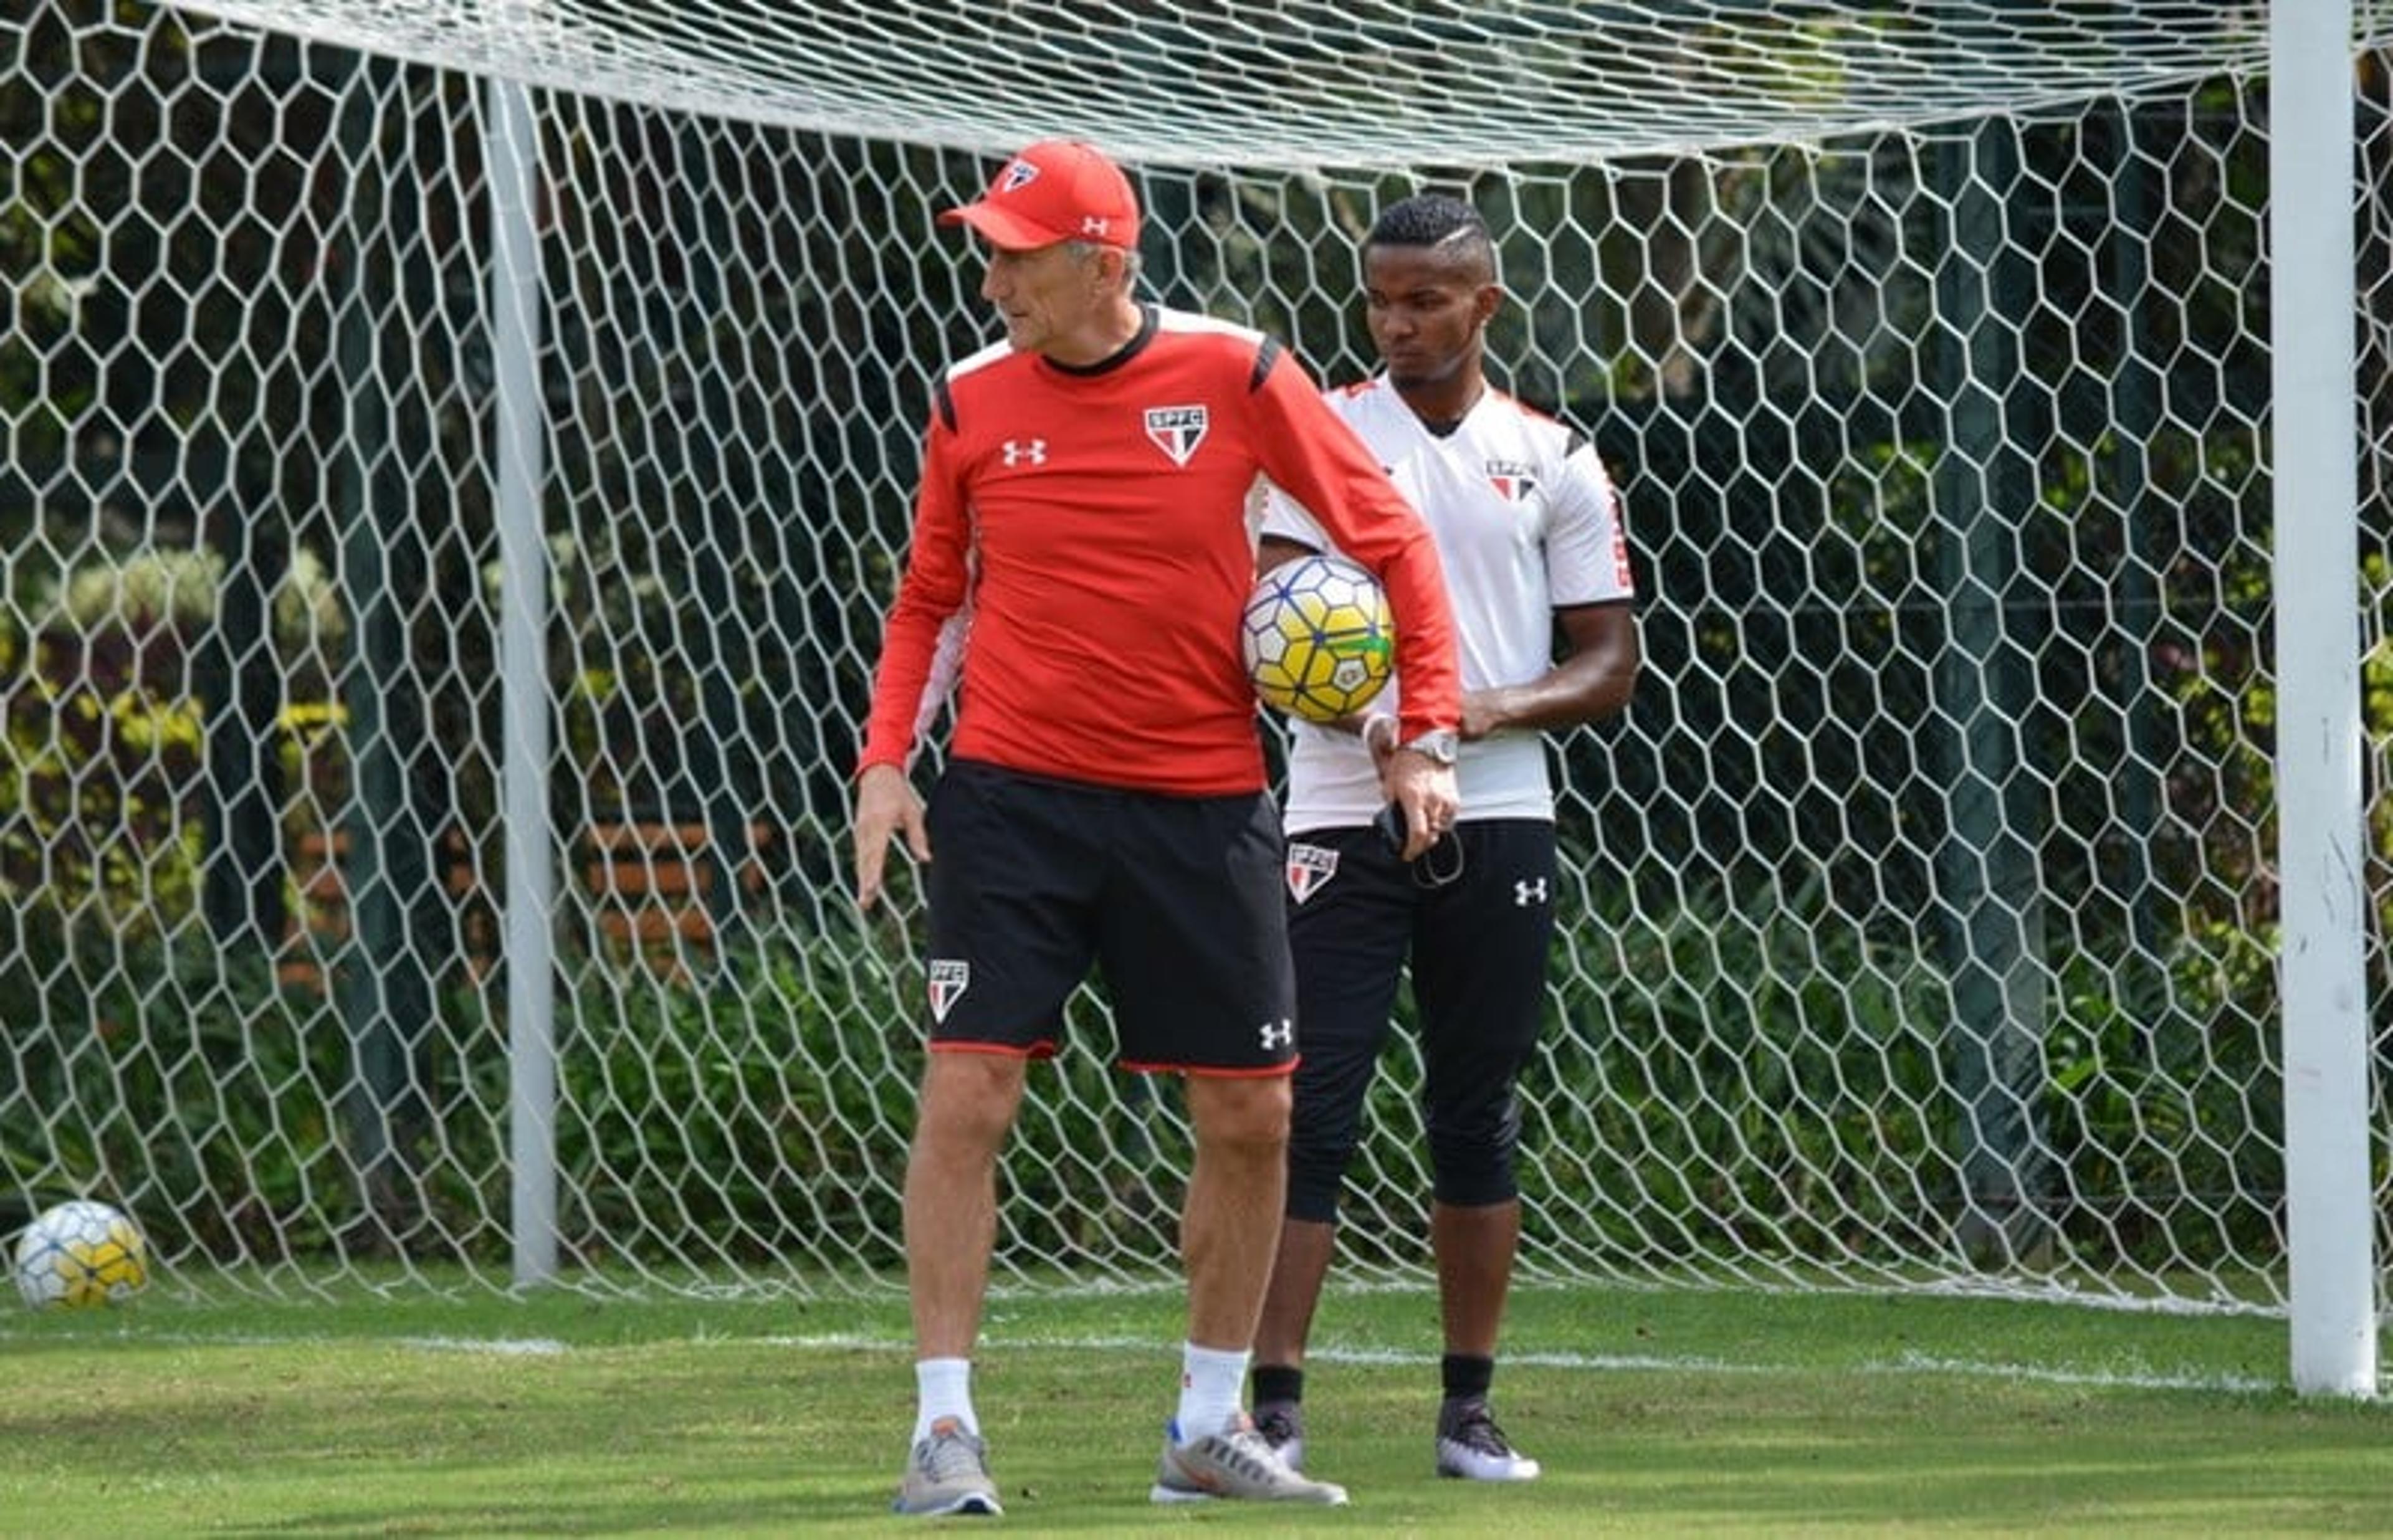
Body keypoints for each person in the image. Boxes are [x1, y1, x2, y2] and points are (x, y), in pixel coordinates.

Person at [850, 140, 1467, 1517]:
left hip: (1198, 800)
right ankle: (943, 1430)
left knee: (1255, 1116)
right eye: (990, 248)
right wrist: (888, 764)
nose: (994, 274)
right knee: (969, 1092)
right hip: (1012, 797)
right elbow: (926, 597)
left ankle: (1205, 1424)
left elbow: (1392, 541)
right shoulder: (968, 402)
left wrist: (1423, 734)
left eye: (1020, 251)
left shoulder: (1238, 373)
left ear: (1105, 261)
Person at [1248, 192, 1641, 1485]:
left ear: (1487, 305)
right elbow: (1287, 631)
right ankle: (1271, 1411)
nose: (1400, 322)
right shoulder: (1321, 436)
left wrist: (1468, 715)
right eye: (1382, 300)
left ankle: (1468, 1413)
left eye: (1427, 300)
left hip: (1502, 814)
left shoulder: (1557, 456)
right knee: (1307, 1105)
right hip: (1339, 813)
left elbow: (1608, 664)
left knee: (1476, 1110)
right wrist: (1395, 743)